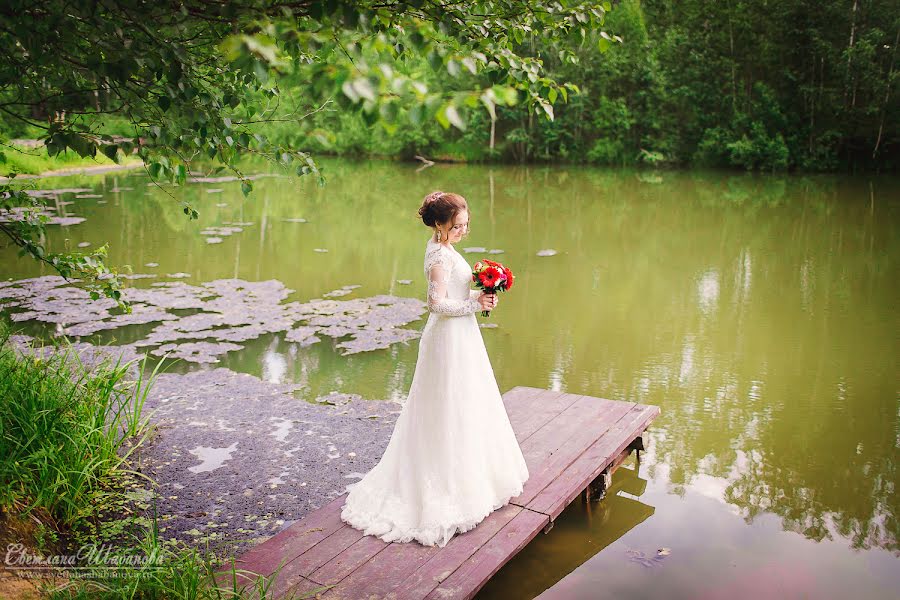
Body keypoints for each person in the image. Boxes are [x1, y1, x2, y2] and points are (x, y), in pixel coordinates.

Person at [339, 190, 530, 548]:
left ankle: (476, 478)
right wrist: (474, 304)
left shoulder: (446, 248)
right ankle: (445, 487)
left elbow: (454, 296)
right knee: (445, 407)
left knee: (468, 403)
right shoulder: (438, 257)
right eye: (457, 226)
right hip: (447, 339)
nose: (463, 231)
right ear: (440, 225)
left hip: (462, 337)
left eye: (466, 224)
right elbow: (436, 305)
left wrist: (480, 294)